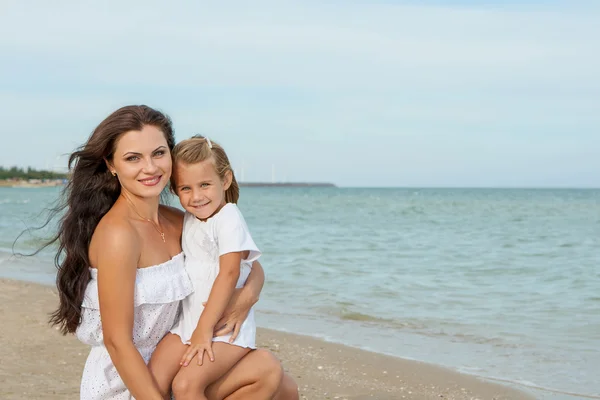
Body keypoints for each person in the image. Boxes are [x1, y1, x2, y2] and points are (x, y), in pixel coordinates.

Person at [47, 105, 299, 400]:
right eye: (133, 158)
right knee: (268, 373)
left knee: (284, 386)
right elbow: (118, 343)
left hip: (182, 357)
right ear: (111, 165)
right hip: (133, 381)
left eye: (158, 153)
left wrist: (246, 298)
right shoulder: (119, 235)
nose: (151, 168)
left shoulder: (181, 220)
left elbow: (245, 265)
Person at [145, 135, 260, 399]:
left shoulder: (229, 217)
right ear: (175, 190)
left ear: (226, 180)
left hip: (223, 332)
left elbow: (231, 272)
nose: (196, 197)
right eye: (186, 188)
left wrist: (203, 330)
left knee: (185, 385)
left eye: (205, 184)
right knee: (153, 379)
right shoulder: (191, 219)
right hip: (188, 325)